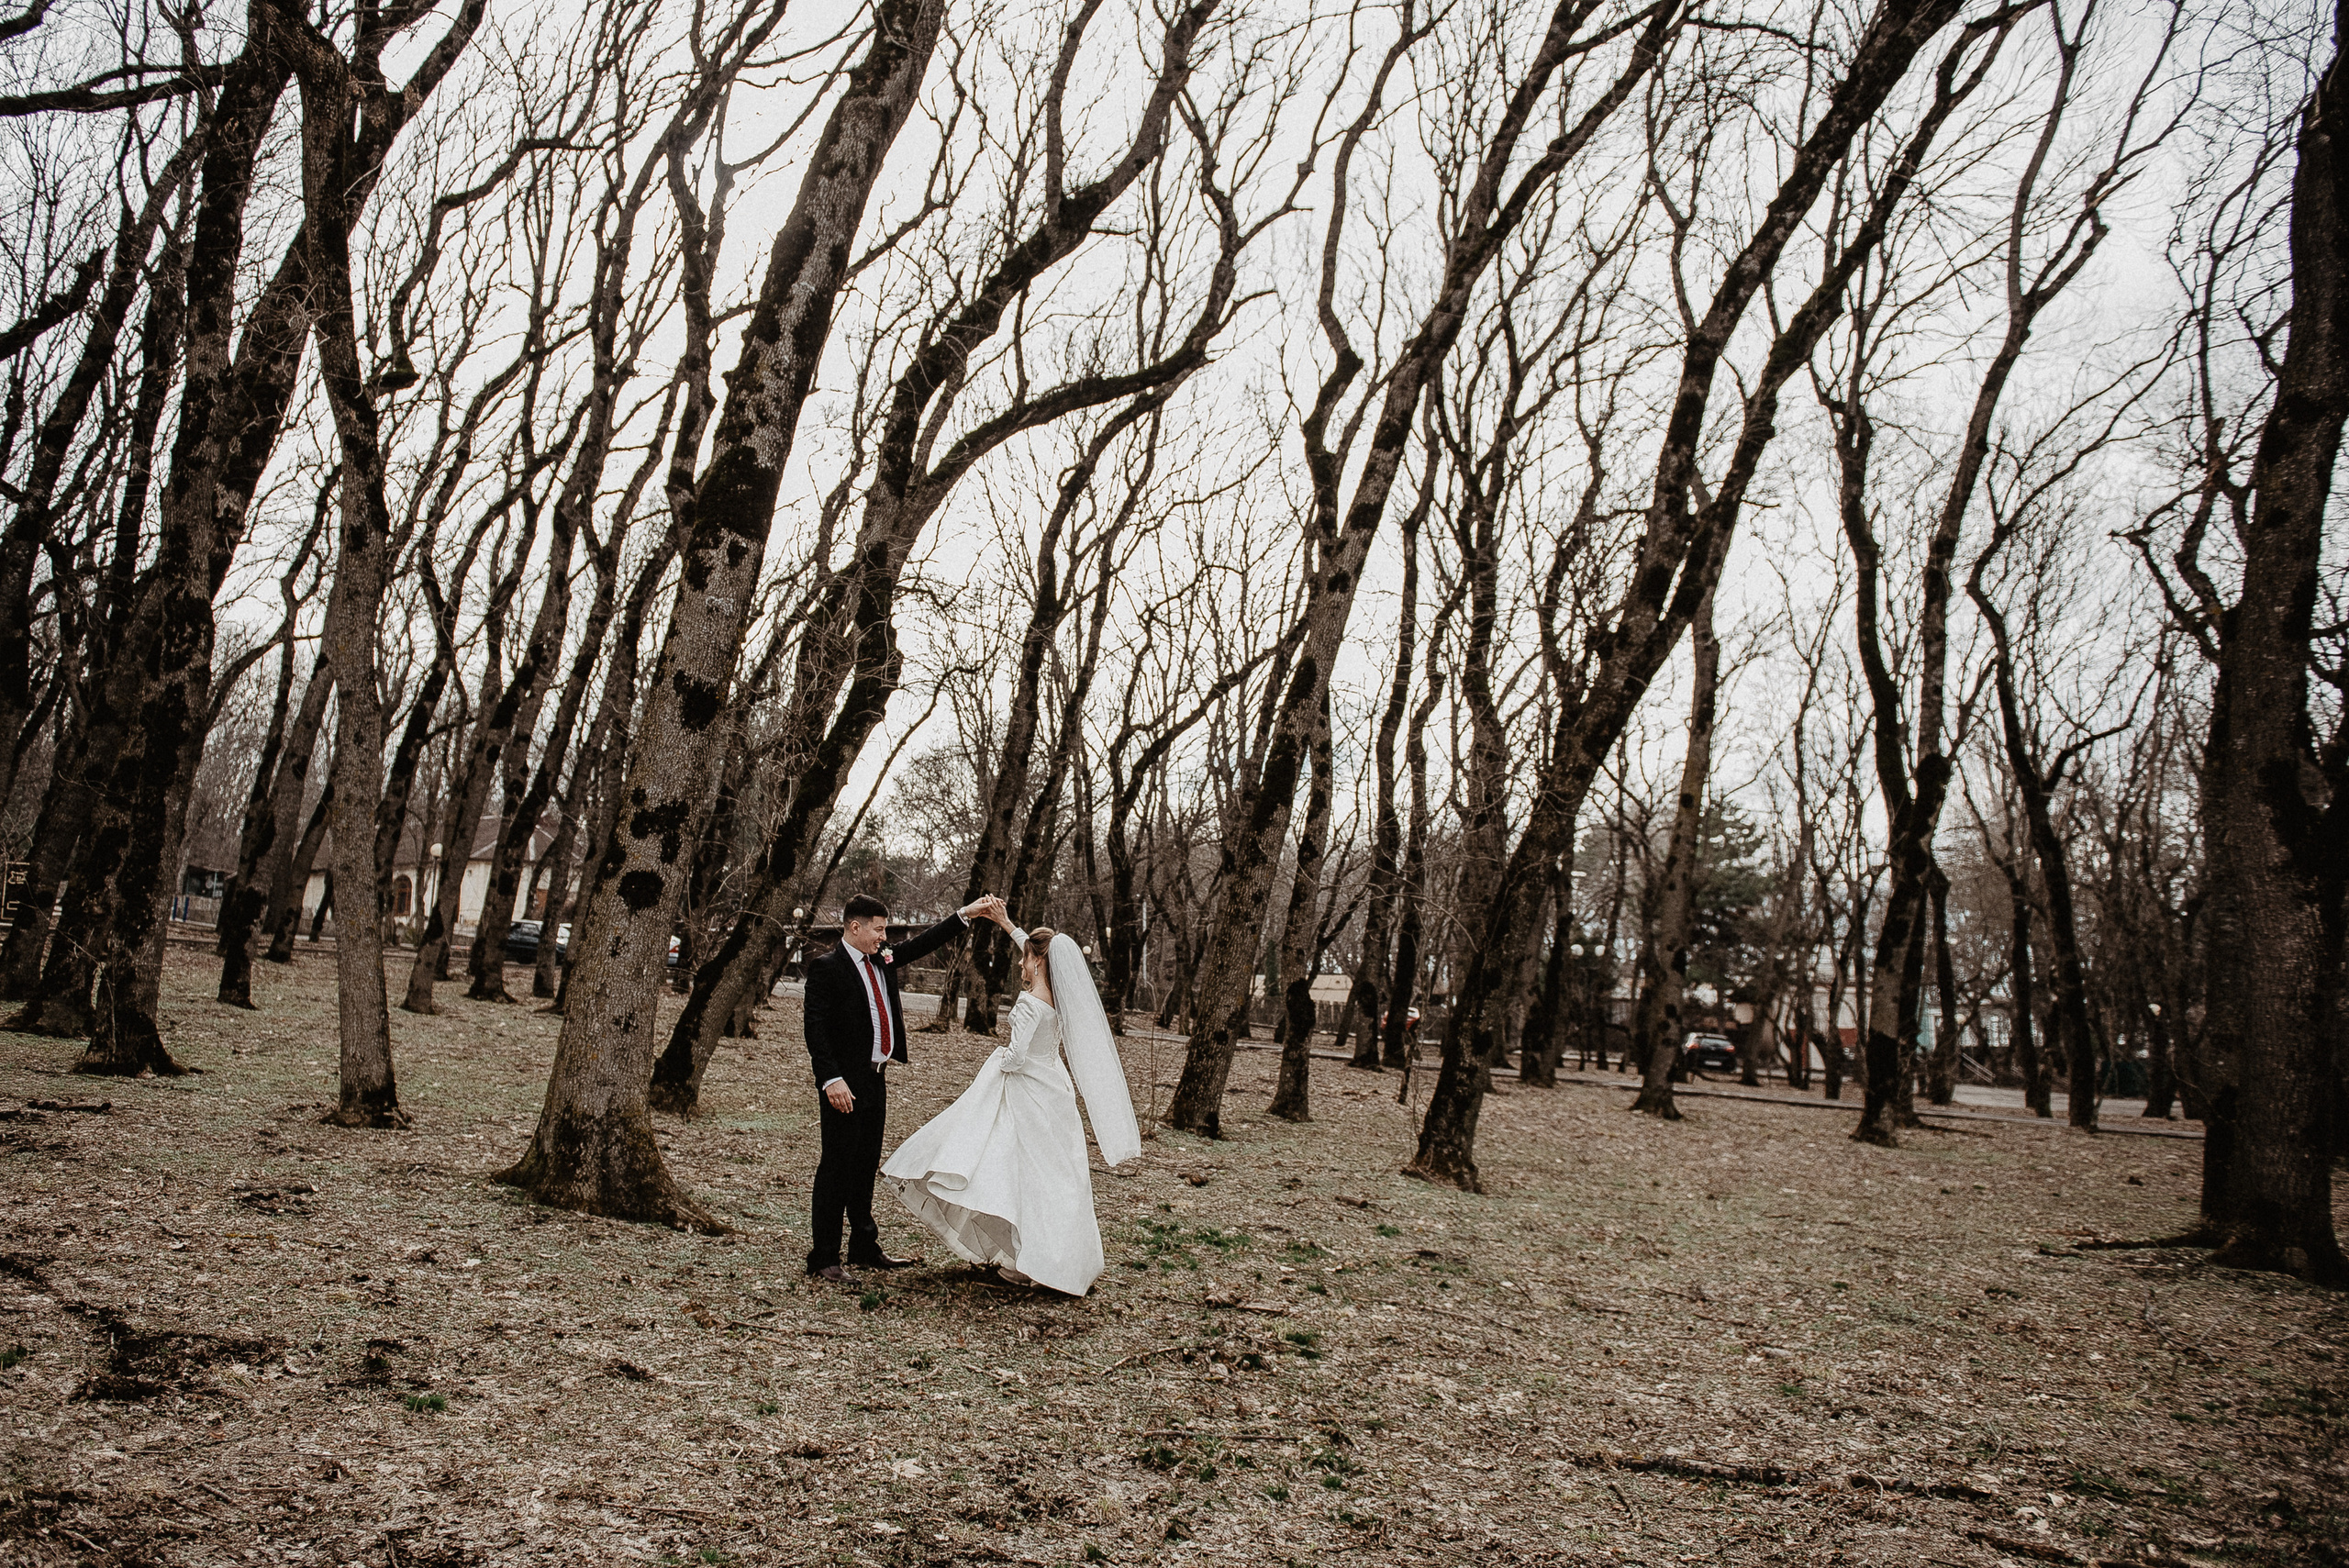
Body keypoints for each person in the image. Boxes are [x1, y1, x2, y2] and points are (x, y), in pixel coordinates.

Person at [882, 909, 1141, 1296]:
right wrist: (1007, 924)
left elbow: (1016, 1057)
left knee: (1015, 1174)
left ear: (1037, 961)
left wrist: (996, 1062)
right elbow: (1037, 950)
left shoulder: (1029, 1003)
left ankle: (1025, 1260)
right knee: (1057, 1179)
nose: (1021, 960)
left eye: (1025, 956)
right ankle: (1059, 1262)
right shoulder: (1060, 996)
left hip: (1025, 1093)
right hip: (1054, 1089)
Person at [803, 891, 1003, 1283]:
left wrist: (966, 914)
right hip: (843, 1084)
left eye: (885, 930)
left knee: (864, 1166)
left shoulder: (882, 959)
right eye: (877, 930)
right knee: (836, 1168)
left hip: (876, 1080)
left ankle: (863, 1246)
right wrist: (830, 1079)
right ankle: (824, 1257)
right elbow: (816, 1029)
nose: (883, 937)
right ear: (854, 927)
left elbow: (923, 943)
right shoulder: (827, 968)